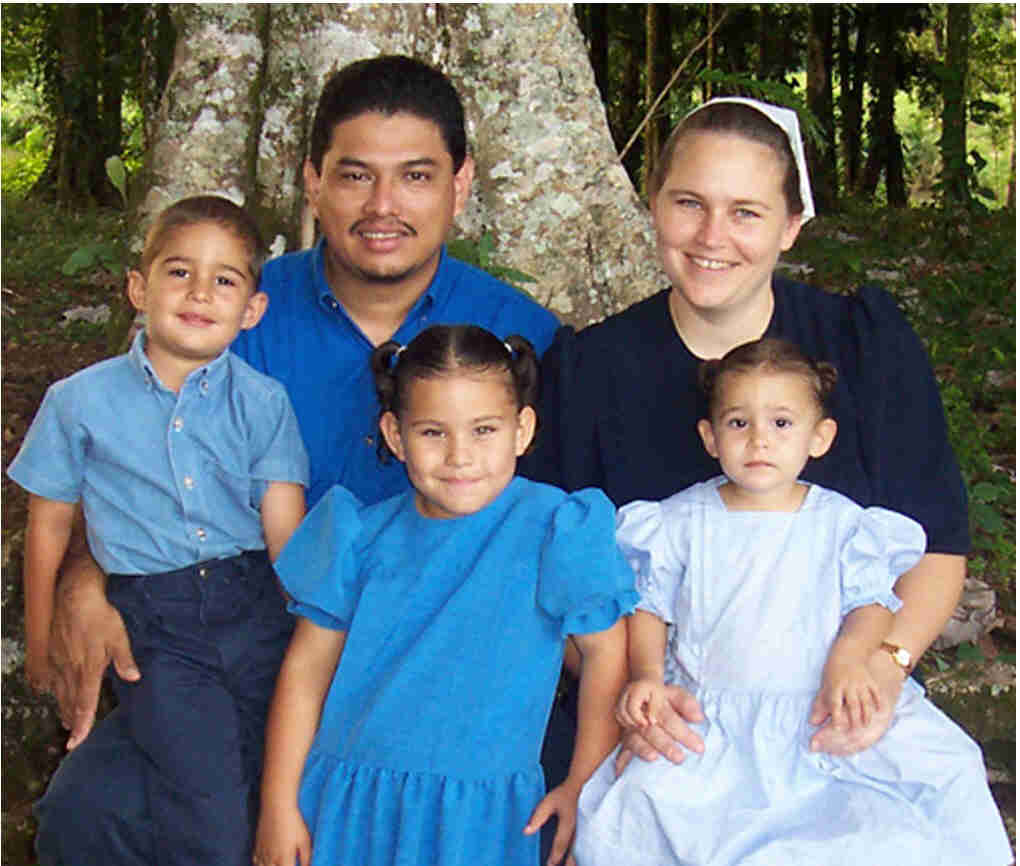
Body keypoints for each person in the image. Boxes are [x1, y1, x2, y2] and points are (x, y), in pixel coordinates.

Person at [33, 56, 559, 866]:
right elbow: (116, 455)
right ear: (312, 181)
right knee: (89, 811)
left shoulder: (522, 337)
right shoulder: (232, 313)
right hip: (248, 648)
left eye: (415, 176)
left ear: (461, 184)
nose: (383, 207)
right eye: (355, 175)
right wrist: (84, 579)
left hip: (443, 666)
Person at [523, 97, 970, 768]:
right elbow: (549, 571)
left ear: (792, 224)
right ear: (653, 202)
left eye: (746, 213)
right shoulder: (588, 373)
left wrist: (885, 664)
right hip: (669, 723)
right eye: (689, 203)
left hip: (842, 705)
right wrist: (636, 692)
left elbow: (937, 543)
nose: (711, 236)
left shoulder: (862, 348)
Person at [572, 338, 1012, 866]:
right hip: (714, 718)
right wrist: (646, 674)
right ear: (710, 438)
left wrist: (850, 659)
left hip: (819, 705)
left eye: (782, 423)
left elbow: (871, 604)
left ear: (819, 437)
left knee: (928, 789)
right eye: (739, 423)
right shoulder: (676, 523)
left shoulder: (846, 525)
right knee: (656, 812)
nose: (759, 439)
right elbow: (650, 606)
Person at [252, 324, 635, 866]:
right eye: (433, 432)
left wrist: (581, 782)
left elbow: (604, 653)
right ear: (394, 433)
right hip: (351, 802)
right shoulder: (357, 535)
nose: (460, 456)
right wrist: (278, 803)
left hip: (480, 815)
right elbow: (305, 672)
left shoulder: (555, 527)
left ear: (522, 430)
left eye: (484, 430)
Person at [8, 196, 310, 866]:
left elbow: (285, 532)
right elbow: (49, 525)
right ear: (139, 287)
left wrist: (320, 624)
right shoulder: (79, 402)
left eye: (225, 280)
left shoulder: (264, 402)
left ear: (251, 310)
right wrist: (38, 640)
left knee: (280, 764)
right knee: (206, 807)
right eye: (179, 272)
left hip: (257, 604)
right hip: (161, 628)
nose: (201, 292)